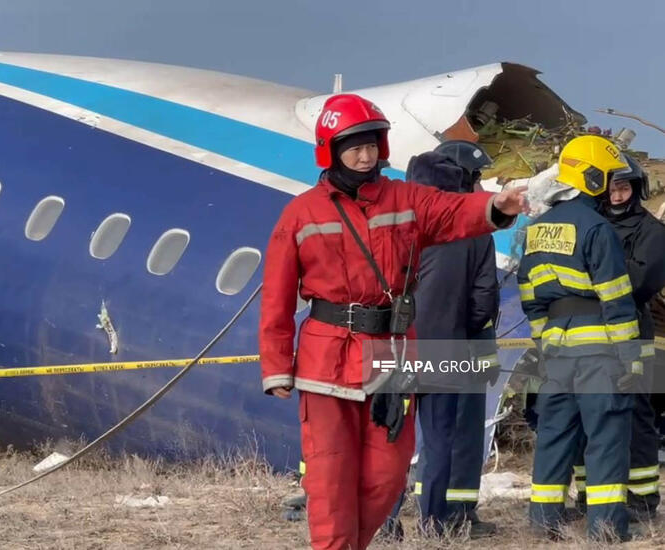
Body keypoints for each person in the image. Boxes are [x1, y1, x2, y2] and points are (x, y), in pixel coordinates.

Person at [259, 93, 527, 550]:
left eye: (372, 146)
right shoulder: (300, 213)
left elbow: (450, 211)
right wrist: (276, 365)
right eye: (354, 147)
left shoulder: (405, 199)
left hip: (390, 357)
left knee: (386, 475)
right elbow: (277, 295)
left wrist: (495, 206)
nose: (365, 156)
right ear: (331, 149)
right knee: (330, 475)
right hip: (327, 359)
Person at [517, 135, 641, 541]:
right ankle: (605, 531)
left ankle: (542, 525)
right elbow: (616, 297)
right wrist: (630, 358)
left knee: (554, 437)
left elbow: (530, 298)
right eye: (606, 179)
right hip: (599, 351)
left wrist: (545, 344)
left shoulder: (535, 231)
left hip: (555, 350)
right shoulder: (597, 228)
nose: (610, 188)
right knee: (605, 438)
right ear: (591, 178)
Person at [381, 141, 501, 540]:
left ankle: (385, 522)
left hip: (393, 347)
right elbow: (484, 299)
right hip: (447, 348)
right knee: (439, 441)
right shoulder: (476, 231)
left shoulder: (390, 224)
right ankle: (434, 525)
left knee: (390, 438)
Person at [573, 153, 665, 521]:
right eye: (610, 189)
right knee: (586, 416)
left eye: (623, 187)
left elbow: (641, 284)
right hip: (587, 337)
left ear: (636, 189)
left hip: (632, 336)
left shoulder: (652, 233)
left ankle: (642, 500)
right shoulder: (587, 225)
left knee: (636, 417)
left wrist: (599, 270)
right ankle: (589, 496)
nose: (615, 196)